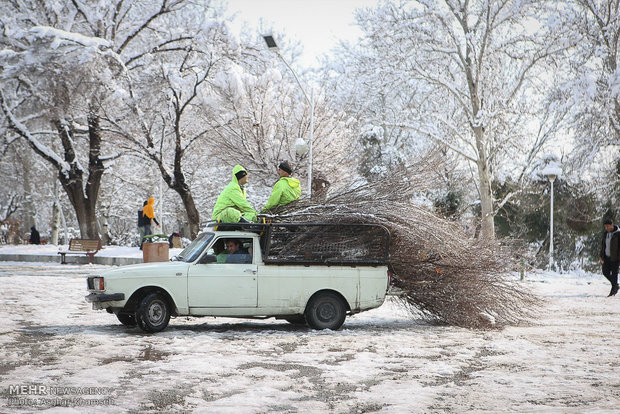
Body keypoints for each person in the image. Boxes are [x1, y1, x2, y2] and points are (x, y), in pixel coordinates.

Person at [599, 218, 620, 297]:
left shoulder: (618, 234)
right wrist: (601, 255)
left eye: (607, 226)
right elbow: (603, 245)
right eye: (605, 227)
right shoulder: (605, 234)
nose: (606, 228)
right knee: (605, 272)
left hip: (615, 258)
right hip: (606, 257)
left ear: (612, 225)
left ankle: (613, 290)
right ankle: (615, 285)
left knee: (614, 274)